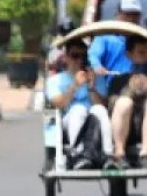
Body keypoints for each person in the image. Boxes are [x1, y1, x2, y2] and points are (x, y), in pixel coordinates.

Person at [105, 34, 147, 170]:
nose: (146, 57)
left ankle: (145, 155)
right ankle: (119, 153)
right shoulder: (119, 80)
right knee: (124, 103)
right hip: (125, 128)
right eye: (141, 53)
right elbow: (112, 105)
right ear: (129, 55)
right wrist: (130, 91)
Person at [44, 38, 111, 168]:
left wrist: (91, 87)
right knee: (78, 109)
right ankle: (79, 154)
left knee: (99, 109)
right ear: (66, 58)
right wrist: (74, 86)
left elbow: (104, 106)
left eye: (83, 56)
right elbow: (60, 104)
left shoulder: (96, 78)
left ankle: (108, 154)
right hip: (67, 121)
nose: (79, 60)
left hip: (93, 120)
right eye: (75, 56)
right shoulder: (55, 81)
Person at [88, 0, 147, 100]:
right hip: (114, 90)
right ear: (118, 15)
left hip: (141, 89)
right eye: (127, 14)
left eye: (135, 15)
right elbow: (93, 55)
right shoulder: (104, 37)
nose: (131, 19)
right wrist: (97, 66)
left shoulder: (146, 39)